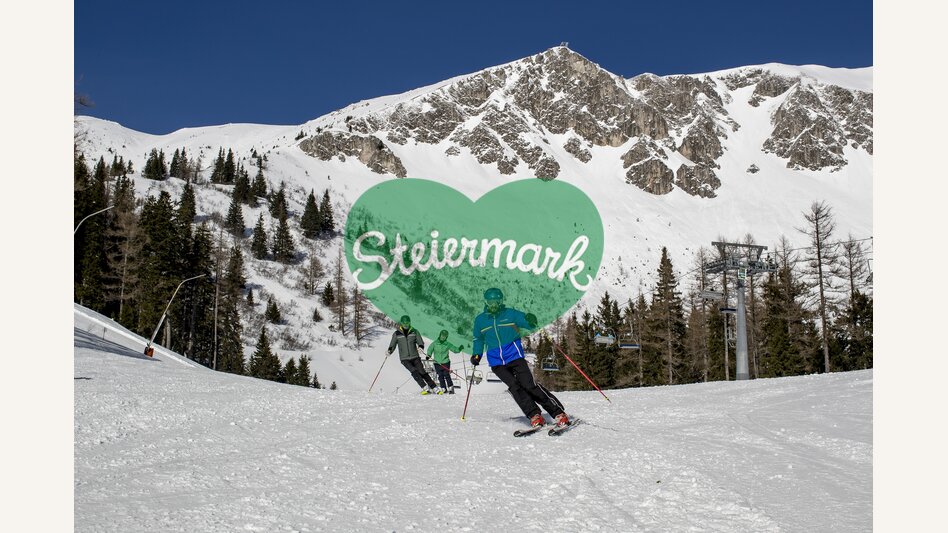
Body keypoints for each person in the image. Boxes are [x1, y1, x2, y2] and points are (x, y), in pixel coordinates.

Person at [469, 288, 569, 428]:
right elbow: (478, 339)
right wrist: (477, 354)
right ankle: (534, 415)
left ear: (501, 301)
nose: (493, 305)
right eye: (490, 301)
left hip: (514, 356)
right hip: (496, 361)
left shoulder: (511, 314)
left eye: (496, 301)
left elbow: (528, 322)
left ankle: (558, 413)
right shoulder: (480, 320)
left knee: (529, 385)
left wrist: (531, 319)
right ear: (486, 302)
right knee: (515, 387)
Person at [388, 315, 438, 395]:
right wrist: (389, 351)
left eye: (407, 323)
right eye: (404, 324)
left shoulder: (414, 331)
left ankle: (434, 387)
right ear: (401, 323)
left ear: (409, 323)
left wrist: (421, 347)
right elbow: (392, 344)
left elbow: (420, 341)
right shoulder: (396, 334)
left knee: (422, 371)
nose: (406, 325)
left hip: (415, 356)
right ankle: (424, 387)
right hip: (404, 358)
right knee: (414, 371)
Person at [426, 330, 464, 394]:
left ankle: (451, 388)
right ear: (440, 335)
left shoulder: (447, 344)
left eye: (445, 336)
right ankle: (443, 388)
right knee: (440, 376)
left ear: (446, 337)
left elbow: (454, 349)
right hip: (437, 363)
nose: (443, 337)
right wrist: (428, 355)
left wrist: (459, 349)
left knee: (446, 375)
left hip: (446, 362)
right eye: (442, 336)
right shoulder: (435, 343)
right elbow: (430, 349)